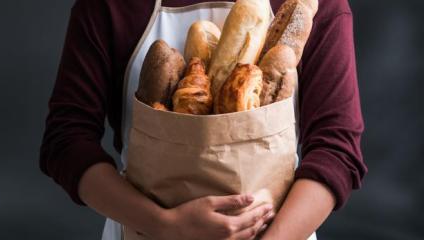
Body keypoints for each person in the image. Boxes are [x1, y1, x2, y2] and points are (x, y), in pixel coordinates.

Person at [40, 0, 367, 239]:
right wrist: (164, 225)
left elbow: (336, 150)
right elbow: (66, 140)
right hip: (143, 230)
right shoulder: (110, 7)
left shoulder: (317, 6)